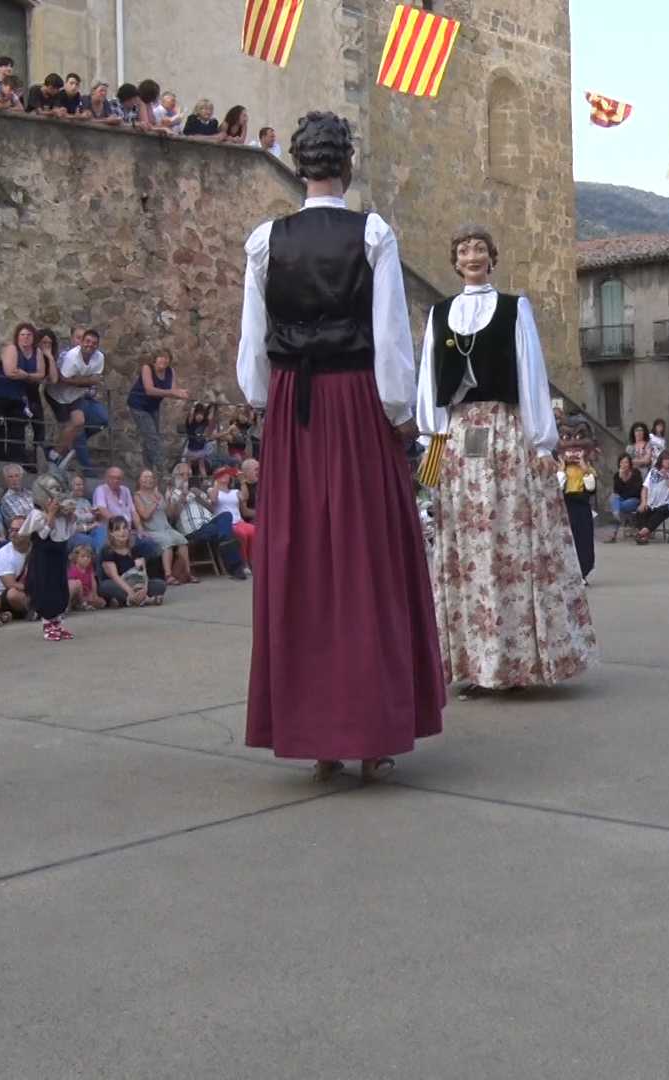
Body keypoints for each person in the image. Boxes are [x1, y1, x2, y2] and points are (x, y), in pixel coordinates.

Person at [236, 111, 444, 778]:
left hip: (292, 407)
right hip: (354, 402)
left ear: (299, 166)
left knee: (300, 565)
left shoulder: (265, 241)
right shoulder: (372, 234)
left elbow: (253, 352)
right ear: (347, 165)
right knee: (364, 561)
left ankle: (318, 738)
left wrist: (267, 402)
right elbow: (390, 336)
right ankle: (371, 734)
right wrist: (397, 411)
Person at [417, 220, 595, 692]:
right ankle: (475, 664)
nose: (472, 256)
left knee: (511, 545)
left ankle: (517, 662)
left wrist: (542, 441)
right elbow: (429, 380)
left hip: (506, 433)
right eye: (464, 250)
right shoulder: (439, 314)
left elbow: (530, 371)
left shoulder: (516, 309)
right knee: (467, 552)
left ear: (492, 258)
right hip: (459, 439)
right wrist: (433, 438)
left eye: (479, 249)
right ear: (455, 261)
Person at [0, 322, 47, 463]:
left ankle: (16, 462)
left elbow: (41, 374)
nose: (25, 337)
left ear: (34, 337)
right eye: (22, 335)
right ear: (17, 337)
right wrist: (31, 376)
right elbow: (10, 372)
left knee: (18, 426)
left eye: (29, 335)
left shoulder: (37, 352)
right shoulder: (11, 348)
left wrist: (26, 375)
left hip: (17, 395)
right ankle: (0, 461)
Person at [48, 329, 108, 468]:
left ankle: (55, 454)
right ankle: (58, 456)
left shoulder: (99, 357)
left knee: (80, 422)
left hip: (76, 396)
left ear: (97, 345)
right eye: (87, 341)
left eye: (94, 343)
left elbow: (95, 379)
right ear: (81, 342)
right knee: (72, 427)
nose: (90, 345)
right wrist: (86, 381)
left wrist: (78, 380)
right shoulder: (71, 357)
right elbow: (64, 380)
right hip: (58, 397)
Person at [128, 352, 186, 471]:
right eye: (161, 357)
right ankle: (162, 469)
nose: (163, 360)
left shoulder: (170, 371)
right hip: (138, 405)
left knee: (149, 439)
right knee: (152, 437)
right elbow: (149, 390)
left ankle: (148, 470)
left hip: (153, 407)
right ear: (155, 359)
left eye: (167, 358)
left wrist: (180, 393)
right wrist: (172, 392)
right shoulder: (147, 368)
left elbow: (172, 390)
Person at [134, 468, 193, 585]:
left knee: (182, 540)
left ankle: (187, 573)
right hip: (151, 530)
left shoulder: (158, 494)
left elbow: (169, 514)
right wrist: (155, 502)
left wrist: (171, 501)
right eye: (145, 477)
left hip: (166, 528)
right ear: (139, 480)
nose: (148, 479)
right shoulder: (137, 496)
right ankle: (168, 575)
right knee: (167, 542)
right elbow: (145, 516)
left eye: (151, 477)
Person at [559, 444, 597, 582]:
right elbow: (558, 487)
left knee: (584, 540)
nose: (573, 454)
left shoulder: (587, 469)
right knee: (567, 540)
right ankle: (568, 572)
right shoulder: (561, 469)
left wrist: (585, 469)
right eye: (569, 451)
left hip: (582, 506)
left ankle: (583, 572)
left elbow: (591, 488)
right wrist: (561, 469)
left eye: (577, 451)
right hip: (566, 506)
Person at [0, 529, 32, 619]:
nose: (13, 533)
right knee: (13, 594)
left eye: (17, 530)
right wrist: (36, 588)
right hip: (7, 595)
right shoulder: (4, 554)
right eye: (11, 530)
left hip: (31, 588)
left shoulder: (37, 548)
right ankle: (36, 610)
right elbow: (10, 584)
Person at [607, 454, 641, 543]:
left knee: (617, 507)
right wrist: (620, 478)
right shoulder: (617, 475)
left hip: (634, 500)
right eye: (622, 462)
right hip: (621, 499)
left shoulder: (636, 473)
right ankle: (616, 514)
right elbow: (616, 491)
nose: (624, 465)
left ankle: (613, 534)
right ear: (619, 464)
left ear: (630, 464)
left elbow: (636, 491)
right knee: (613, 497)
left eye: (626, 462)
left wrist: (624, 482)